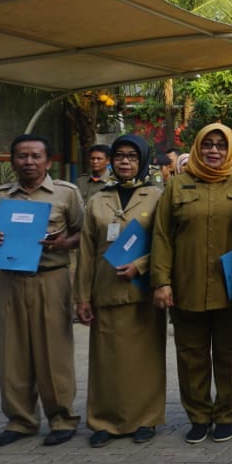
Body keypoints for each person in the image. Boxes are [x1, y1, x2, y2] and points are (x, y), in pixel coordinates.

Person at [0, 134, 84, 448]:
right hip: (10, 280)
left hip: (52, 278)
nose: (29, 162)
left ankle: (62, 419)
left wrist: (65, 243)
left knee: (54, 353)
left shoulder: (67, 194)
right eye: (22, 156)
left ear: (48, 161)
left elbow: (83, 232)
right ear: (12, 162)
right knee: (12, 352)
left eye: (36, 156)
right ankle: (20, 421)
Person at [151, 123, 232, 444]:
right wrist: (162, 282)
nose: (213, 151)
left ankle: (225, 415)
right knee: (191, 354)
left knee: (231, 354)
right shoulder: (177, 186)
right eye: (207, 144)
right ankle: (198, 415)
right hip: (187, 284)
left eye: (221, 146)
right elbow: (163, 236)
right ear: (196, 147)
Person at [76, 134, 166, 447]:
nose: (125, 161)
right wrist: (82, 297)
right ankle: (104, 421)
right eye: (119, 156)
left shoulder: (156, 196)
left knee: (145, 360)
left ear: (142, 161)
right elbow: (86, 251)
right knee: (105, 361)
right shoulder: (99, 199)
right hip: (105, 290)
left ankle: (146, 419)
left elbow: (166, 244)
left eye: (132, 156)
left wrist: (141, 265)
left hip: (142, 291)